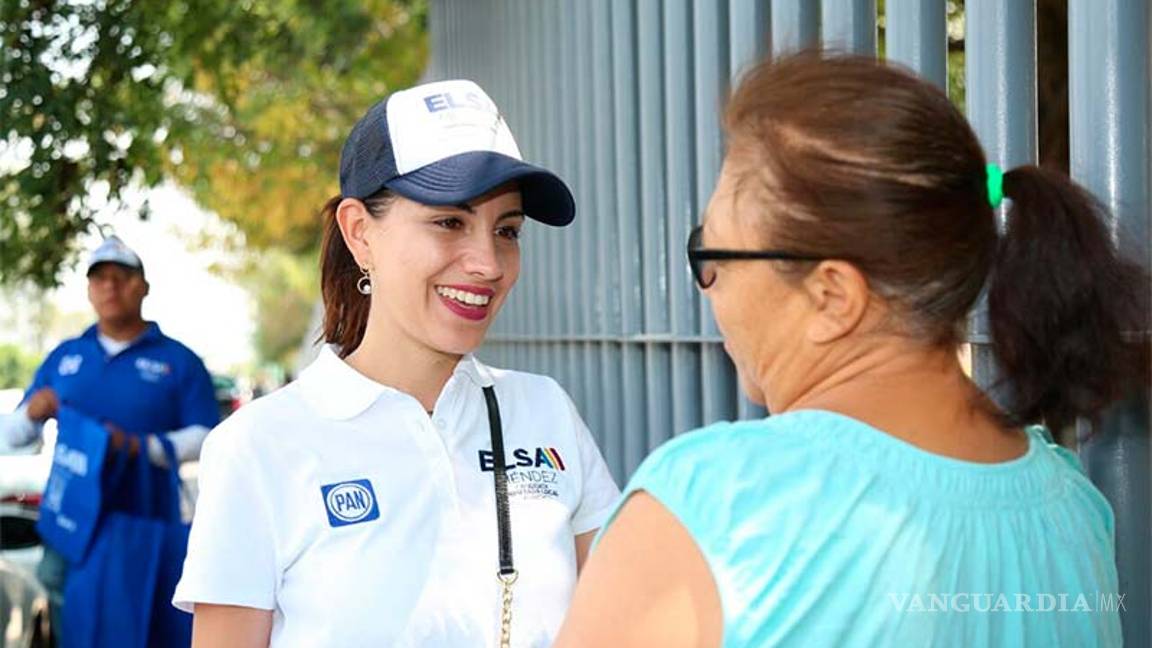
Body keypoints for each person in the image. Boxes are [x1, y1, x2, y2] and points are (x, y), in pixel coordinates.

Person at [554, 52, 1146, 647]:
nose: (709, 292)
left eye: (712, 258)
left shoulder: (714, 510)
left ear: (833, 296)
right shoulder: (1072, 508)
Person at [174, 79, 621, 648]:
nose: (488, 263)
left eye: (506, 231)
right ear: (361, 233)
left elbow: (623, 617)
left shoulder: (545, 411)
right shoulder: (259, 447)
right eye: (449, 222)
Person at [0, 234, 220, 637]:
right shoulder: (66, 356)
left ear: (144, 287)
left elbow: (209, 437)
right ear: (88, 290)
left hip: (145, 518)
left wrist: (141, 447)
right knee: (68, 604)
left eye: (122, 276)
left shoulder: (178, 361)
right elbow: (14, 437)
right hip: (73, 519)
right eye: (99, 278)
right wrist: (32, 412)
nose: (109, 286)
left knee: (140, 616)